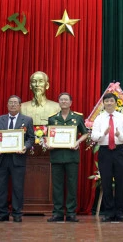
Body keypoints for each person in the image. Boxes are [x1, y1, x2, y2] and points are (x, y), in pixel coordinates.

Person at [46, 93, 88, 222]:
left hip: (71, 156)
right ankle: (57, 213)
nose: (64, 102)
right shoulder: (52, 119)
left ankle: (71, 213)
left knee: (71, 185)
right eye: (61, 100)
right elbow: (48, 135)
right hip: (57, 156)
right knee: (57, 186)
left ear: (71, 102)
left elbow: (85, 134)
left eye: (66, 100)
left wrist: (77, 142)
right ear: (58, 102)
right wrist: (48, 144)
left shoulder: (77, 118)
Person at [0, 95, 34, 223]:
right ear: (7, 105)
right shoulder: (0, 120)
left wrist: (24, 147)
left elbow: (31, 138)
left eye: (15, 103)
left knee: (17, 187)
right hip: (2, 158)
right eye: (10, 102)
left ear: (20, 105)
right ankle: (2, 214)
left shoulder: (27, 120)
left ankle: (17, 214)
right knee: (1, 187)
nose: (13, 105)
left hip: (18, 158)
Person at [91, 93, 123, 222]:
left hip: (119, 151)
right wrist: (104, 134)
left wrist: (119, 135)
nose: (109, 103)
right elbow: (93, 136)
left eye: (111, 101)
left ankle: (120, 212)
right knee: (106, 181)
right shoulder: (99, 118)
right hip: (105, 151)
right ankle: (108, 212)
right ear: (103, 103)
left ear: (115, 103)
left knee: (121, 181)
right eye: (106, 101)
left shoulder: (122, 117)